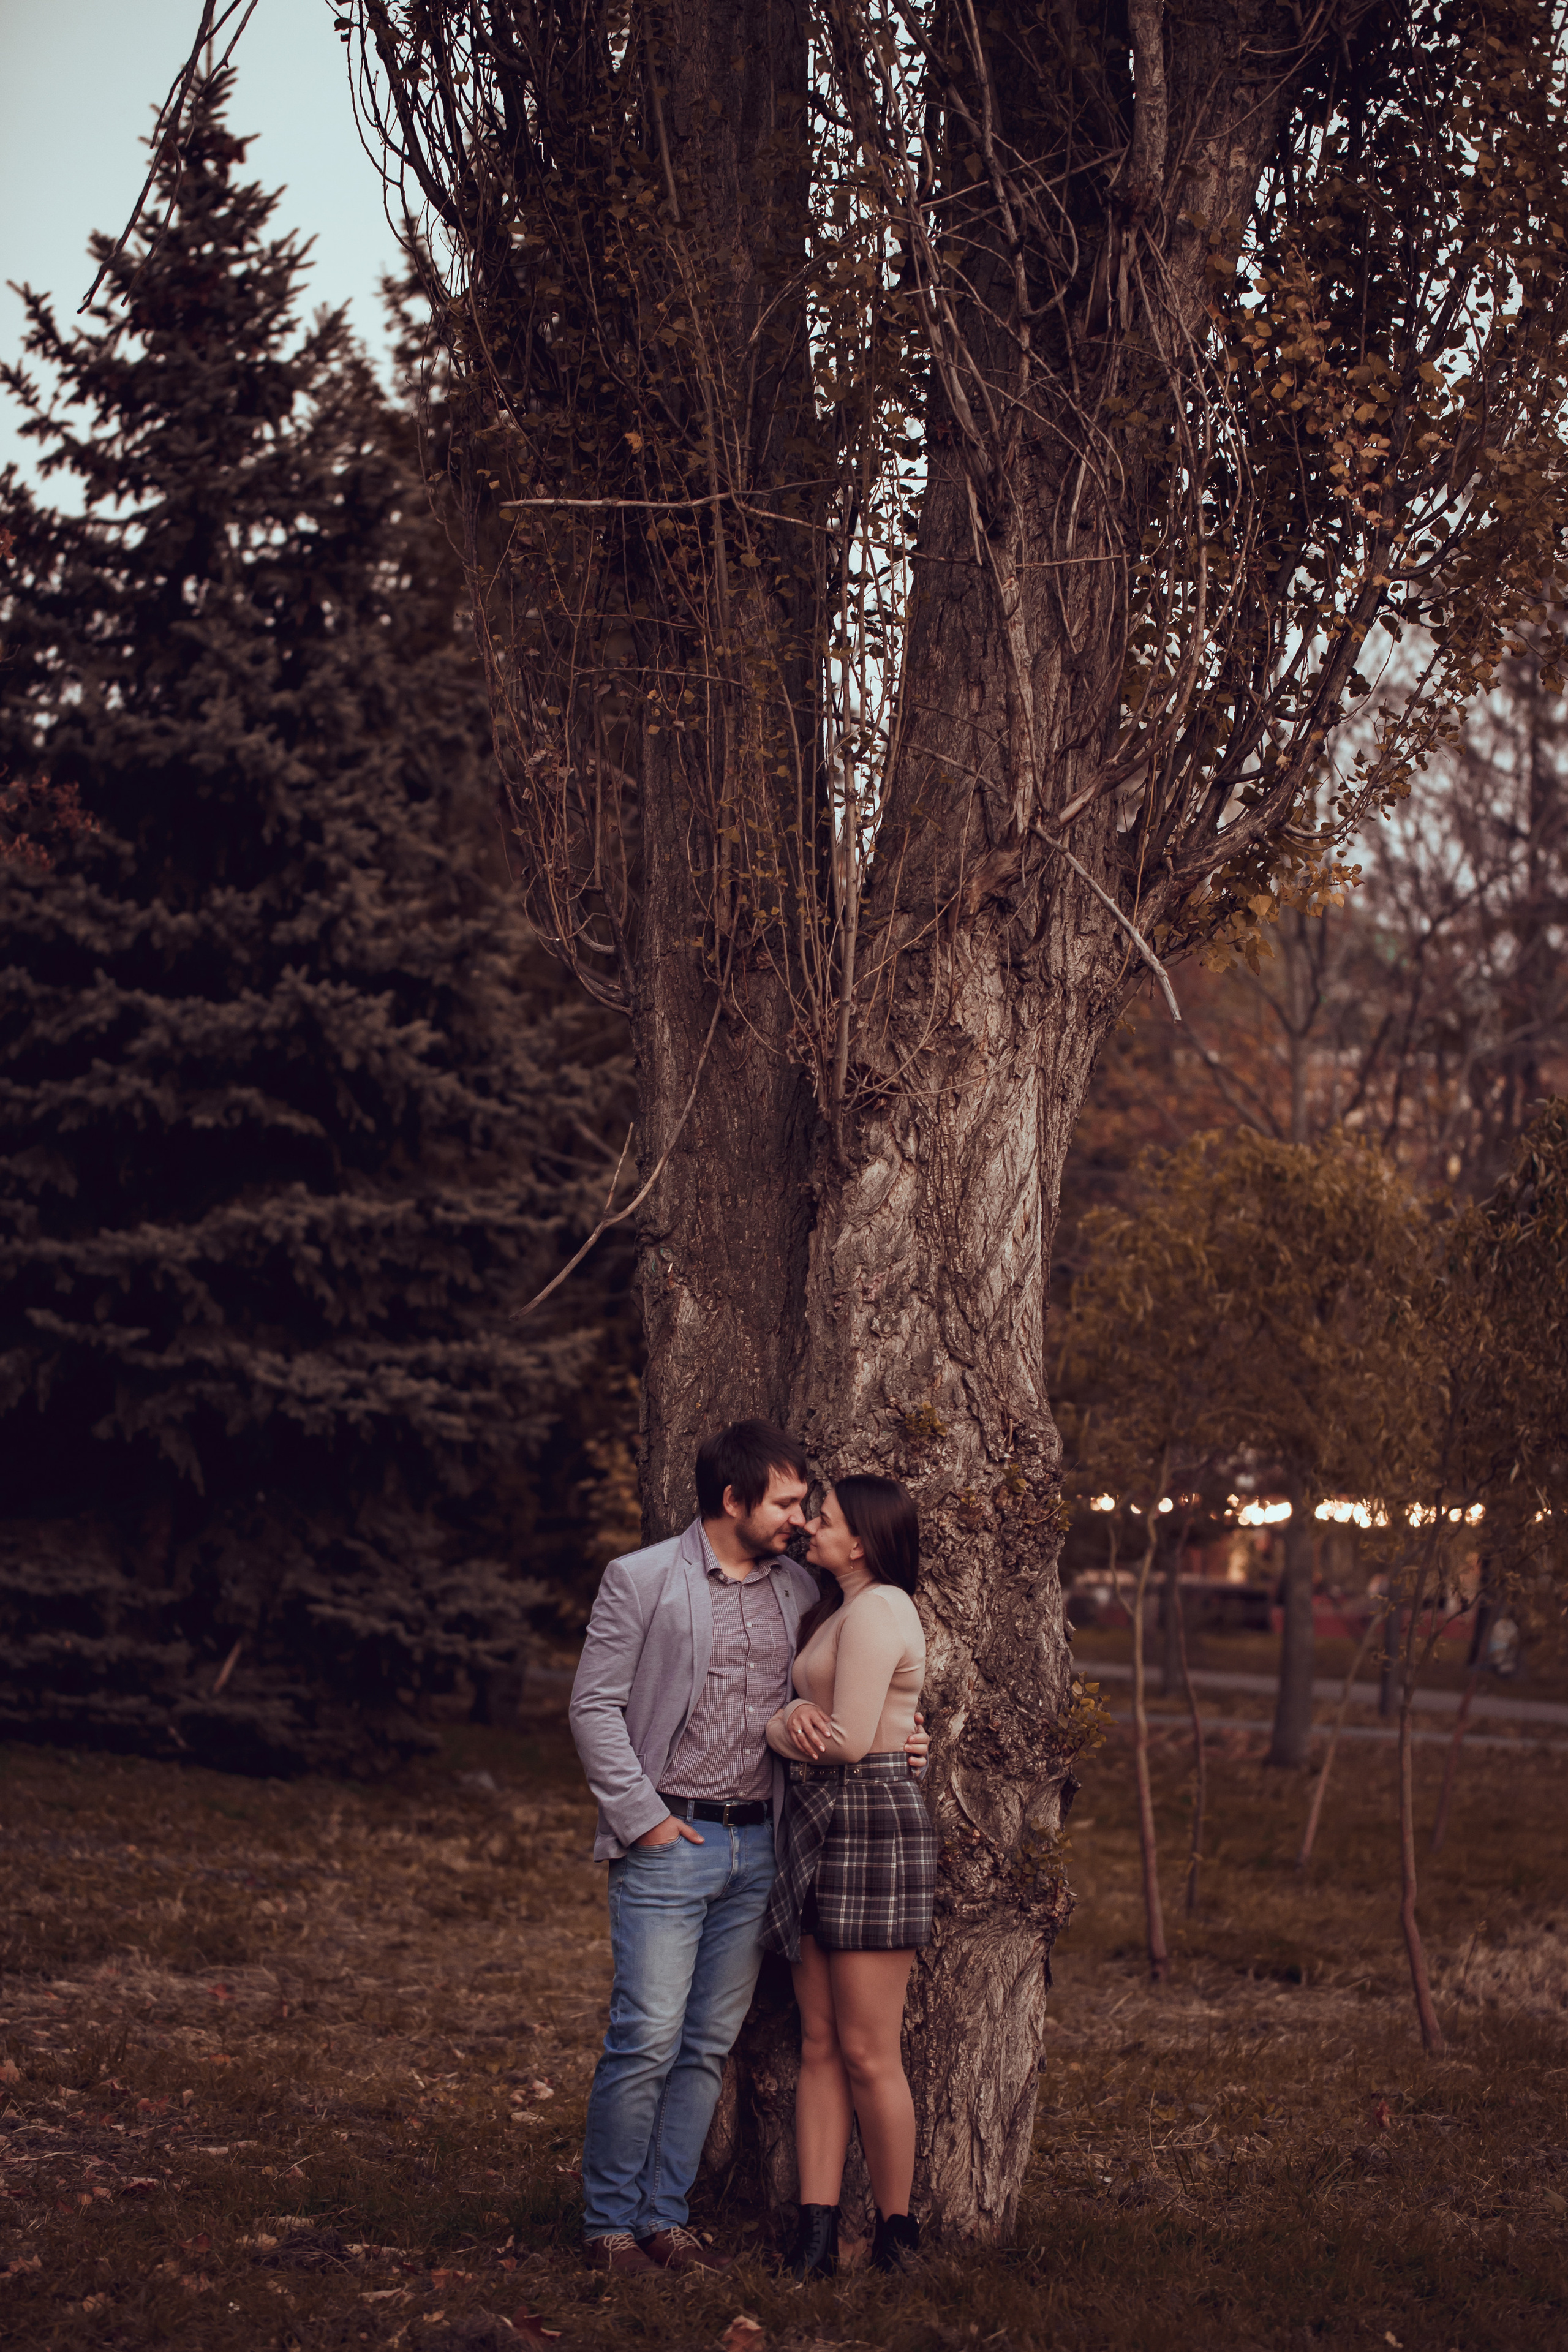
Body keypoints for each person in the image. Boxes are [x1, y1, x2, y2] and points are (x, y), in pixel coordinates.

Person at [568, 1421, 929, 2278]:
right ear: (733, 1501)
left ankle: (665, 2219)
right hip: (671, 1840)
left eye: (811, 1505)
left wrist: (906, 1740)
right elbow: (592, 1709)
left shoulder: (800, 1590)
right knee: (647, 2037)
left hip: (766, 1848)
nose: (801, 1519)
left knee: (704, 2045)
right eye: (787, 1501)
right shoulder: (642, 1579)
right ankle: (610, 2226)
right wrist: (644, 1819)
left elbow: (859, 1684)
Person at [760, 1473, 935, 2279]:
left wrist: (777, 1727)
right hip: (817, 1821)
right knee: (821, 2042)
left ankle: (898, 2236)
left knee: (869, 2050)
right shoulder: (842, 1607)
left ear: (860, 1539)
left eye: (821, 1517)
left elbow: (853, 1742)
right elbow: (842, 1731)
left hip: (867, 1820)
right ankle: (816, 2236)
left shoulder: (880, 1609)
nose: (808, 1525)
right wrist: (803, 1728)